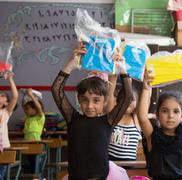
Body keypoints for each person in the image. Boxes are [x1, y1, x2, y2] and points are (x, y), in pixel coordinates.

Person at [51, 43, 133, 180]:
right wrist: (72, 63)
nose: (89, 106)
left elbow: (127, 97)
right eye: (85, 100)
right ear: (79, 99)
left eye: (96, 100)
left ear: (105, 101)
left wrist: (122, 69)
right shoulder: (72, 117)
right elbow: (56, 89)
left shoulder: (108, 120)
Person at [137, 66, 182, 180]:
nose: (170, 116)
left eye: (176, 111)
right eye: (164, 111)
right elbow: (142, 117)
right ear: (157, 115)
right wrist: (146, 88)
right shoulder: (152, 135)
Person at [107, 83, 142, 161]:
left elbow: (144, 113)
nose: (128, 102)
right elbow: (110, 95)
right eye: (125, 99)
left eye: (132, 99)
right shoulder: (113, 116)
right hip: (110, 164)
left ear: (137, 102)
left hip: (129, 166)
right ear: (119, 100)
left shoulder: (137, 118)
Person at [0, 71, 18, 180]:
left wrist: (10, 79)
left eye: (2, 95)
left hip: (4, 149)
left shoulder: (5, 112)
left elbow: (15, 96)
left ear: (6, 103)